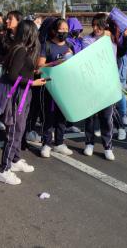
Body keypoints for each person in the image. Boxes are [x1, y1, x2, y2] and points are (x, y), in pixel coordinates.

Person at [0, 20, 47, 185]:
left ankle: (15, 160)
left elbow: (20, 71)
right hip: (18, 95)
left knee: (20, 129)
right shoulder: (21, 50)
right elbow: (13, 76)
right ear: (30, 33)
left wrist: (33, 71)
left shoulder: (22, 49)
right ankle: (4, 170)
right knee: (14, 132)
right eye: (35, 32)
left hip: (23, 94)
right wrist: (33, 82)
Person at [81, 13, 119, 160]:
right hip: (91, 83)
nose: (96, 28)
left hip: (107, 84)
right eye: (94, 25)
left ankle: (107, 146)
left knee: (106, 117)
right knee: (90, 116)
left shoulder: (112, 40)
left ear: (105, 26)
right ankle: (89, 143)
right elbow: (91, 55)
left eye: (99, 25)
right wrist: (105, 39)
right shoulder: (87, 39)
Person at [37, 18, 74, 158]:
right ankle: (46, 144)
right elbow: (39, 68)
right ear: (53, 30)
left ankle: (59, 143)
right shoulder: (46, 46)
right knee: (49, 116)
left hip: (65, 87)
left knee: (61, 117)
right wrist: (56, 63)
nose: (64, 32)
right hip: (50, 88)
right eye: (61, 30)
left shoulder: (69, 46)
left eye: (66, 30)